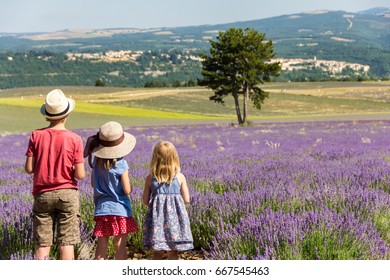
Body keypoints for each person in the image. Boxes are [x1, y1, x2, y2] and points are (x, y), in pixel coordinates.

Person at [24, 89, 86, 260]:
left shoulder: (36, 135)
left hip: (42, 194)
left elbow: (29, 168)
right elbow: (80, 174)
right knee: (67, 242)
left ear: (47, 115)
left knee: (42, 243)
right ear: (66, 115)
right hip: (67, 194)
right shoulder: (75, 139)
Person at [84, 121, 138, 260]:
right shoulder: (121, 164)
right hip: (120, 209)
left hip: (102, 210)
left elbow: (92, 183)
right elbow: (126, 190)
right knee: (119, 245)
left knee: (101, 245)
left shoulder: (96, 162)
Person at [142, 141, 194, 260]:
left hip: (157, 222)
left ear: (155, 158)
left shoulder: (150, 179)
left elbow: (145, 201)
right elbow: (187, 199)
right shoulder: (180, 177)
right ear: (174, 158)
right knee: (173, 251)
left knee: (157, 252)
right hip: (175, 221)